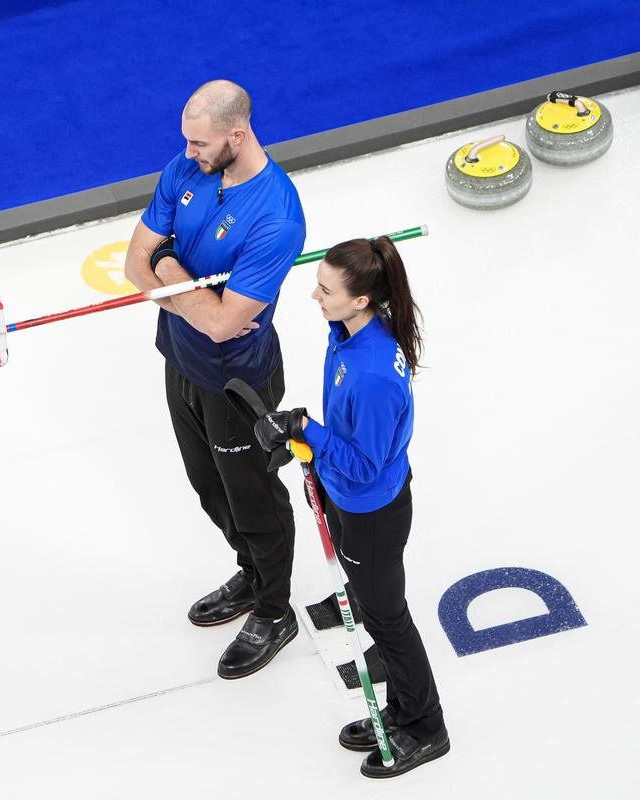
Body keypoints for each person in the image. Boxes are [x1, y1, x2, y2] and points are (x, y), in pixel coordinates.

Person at [122, 80, 306, 680]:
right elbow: (133, 264)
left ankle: (275, 609)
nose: (188, 152)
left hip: (237, 381)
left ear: (238, 134)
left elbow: (225, 326)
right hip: (180, 360)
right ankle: (252, 574)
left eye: (200, 143)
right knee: (209, 488)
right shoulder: (186, 168)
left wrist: (168, 269)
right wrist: (188, 296)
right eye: (187, 141)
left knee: (254, 499)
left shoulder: (277, 216)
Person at [254, 237, 449, 777]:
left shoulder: (374, 375)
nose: (314, 297)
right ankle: (400, 710)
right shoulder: (346, 333)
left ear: (361, 300)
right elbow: (347, 433)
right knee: (377, 611)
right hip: (347, 496)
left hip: (372, 513)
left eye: (326, 290)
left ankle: (425, 726)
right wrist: (312, 449)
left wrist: (308, 430)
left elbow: (365, 463)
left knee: (388, 622)